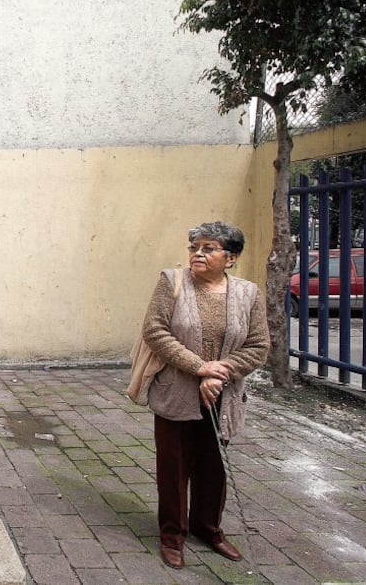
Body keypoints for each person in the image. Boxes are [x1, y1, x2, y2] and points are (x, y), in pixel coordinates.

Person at [140, 221, 269, 569]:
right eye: (194, 247)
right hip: (176, 392)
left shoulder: (248, 293)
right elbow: (155, 331)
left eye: (208, 248)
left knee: (213, 468)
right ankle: (172, 535)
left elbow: (259, 346)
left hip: (222, 396)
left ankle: (208, 528)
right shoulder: (172, 282)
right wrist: (200, 368)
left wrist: (221, 372)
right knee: (173, 467)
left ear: (231, 257)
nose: (198, 253)